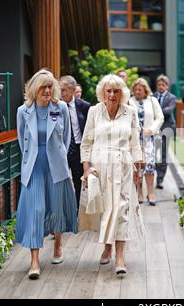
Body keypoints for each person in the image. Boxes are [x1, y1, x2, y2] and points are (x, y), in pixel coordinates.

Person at [15, 69, 78, 279]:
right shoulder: (23, 111)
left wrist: (59, 157)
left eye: (51, 86)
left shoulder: (61, 108)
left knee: (55, 207)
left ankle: (58, 245)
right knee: (36, 209)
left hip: (56, 166)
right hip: (34, 167)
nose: (48, 90)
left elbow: (67, 137)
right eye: (44, 87)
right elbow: (21, 139)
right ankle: (34, 261)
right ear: (35, 89)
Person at [81, 74, 144, 277]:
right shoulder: (94, 111)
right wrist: (86, 168)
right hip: (100, 167)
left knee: (121, 209)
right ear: (102, 92)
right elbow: (86, 142)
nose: (112, 94)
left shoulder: (130, 112)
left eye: (116, 91)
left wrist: (138, 168)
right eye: (108, 90)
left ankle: (119, 257)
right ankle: (107, 247)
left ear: (122, 93)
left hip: (123, 166)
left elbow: (135, 142)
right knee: (106, 210)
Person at [130, 78, 164, 205]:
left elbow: (160, 117)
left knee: (149, 165)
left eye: (140, 89)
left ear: (145, 90)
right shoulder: (129, 101)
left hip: (149, 138)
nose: (137, 92)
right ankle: (139, 192)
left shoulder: (152, 100)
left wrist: (151, 129)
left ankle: (151, 193)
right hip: (134, 139)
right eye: (135, 89)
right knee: (137, 166)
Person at [60, 75, 91, 207]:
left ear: (73, 90)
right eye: (59, 90)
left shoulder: (84, 106)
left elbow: (89, 130)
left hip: (78, 149)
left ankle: (77, 210)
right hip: (61, 149)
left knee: (78, 181)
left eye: (64, 90)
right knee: (61, 181)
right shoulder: (56, 106)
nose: (61, 93)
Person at [153, 74, 176, 189]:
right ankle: (154, 171)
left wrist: (155, 111)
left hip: (167, 127)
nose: (161, 87)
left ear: (167, 86)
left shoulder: (171, 97)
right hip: (154, 129)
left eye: (163, 85)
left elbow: (168, 111)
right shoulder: (153, 96)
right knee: (152, 152)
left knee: (163, 154)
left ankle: (160, 179)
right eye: (159, 84)